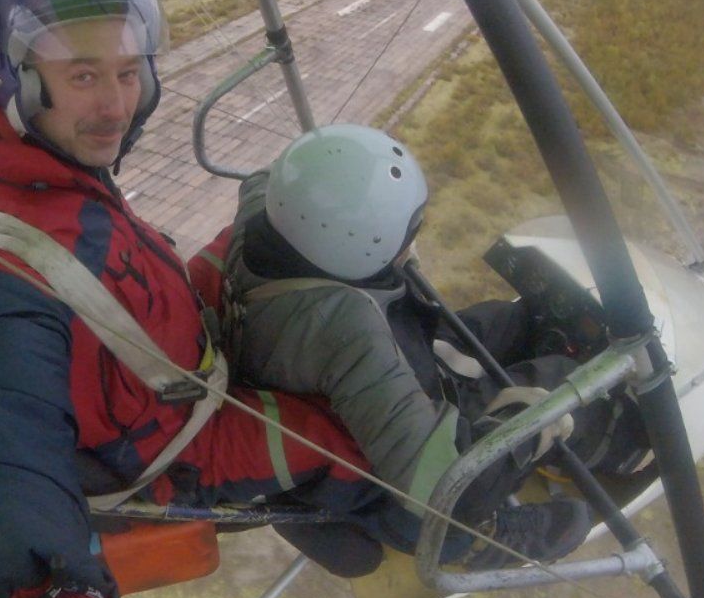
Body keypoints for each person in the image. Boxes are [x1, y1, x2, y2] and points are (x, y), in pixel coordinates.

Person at [0, 0, 579, 598]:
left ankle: (499, 349)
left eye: (128, 72)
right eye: (83, 75)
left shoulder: (18, 154)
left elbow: (105, 276)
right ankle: (463, 532)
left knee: (276, 229)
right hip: (180, 433)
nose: (116, 104)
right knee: (366, 446)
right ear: (15, 80)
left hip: (164, 338)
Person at [192, 123, 593, 567]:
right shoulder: (347, 329)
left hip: (292, 364)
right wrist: (527, 425)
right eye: (408, 232)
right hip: (371, 436)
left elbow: (266, 178)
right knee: (564, 380)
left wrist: (347, 183)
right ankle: (482, 541)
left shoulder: (260, 217)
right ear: (363, 248)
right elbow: (447, 491)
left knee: (506, 319)